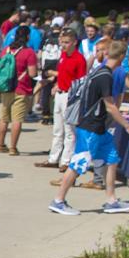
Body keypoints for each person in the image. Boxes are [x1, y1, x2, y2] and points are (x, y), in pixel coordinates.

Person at [52, 40, 129, 217]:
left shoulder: (98, 71)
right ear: (122, 57)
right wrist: (128, 126)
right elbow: (111, 106)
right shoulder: (105, 76)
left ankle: (111, 200)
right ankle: (58, 200)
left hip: (97, 127)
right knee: (79, 163)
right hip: (90, 127)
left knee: (112, 158)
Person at [39, 30, 86, 169]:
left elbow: (80, 81)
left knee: (69, 130)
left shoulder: (79, 59)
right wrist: (56, 84)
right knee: (57, 128)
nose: (63, 45)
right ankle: (53, 158)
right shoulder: (64, 56)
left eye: (66, 42)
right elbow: (63, 74)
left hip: (70, 95)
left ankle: (66, 161)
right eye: (62, 42)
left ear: (74, 42)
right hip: (60, 93)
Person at [0, 27, 37, 155]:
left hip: (6, 88)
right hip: (21, 88)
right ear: (28, 37)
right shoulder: (29, 52)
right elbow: (32, 73)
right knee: (17, 119)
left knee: (4, 118)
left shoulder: (6, 51)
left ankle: (0, 145)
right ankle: (13, 148)